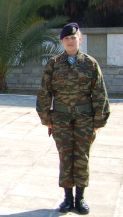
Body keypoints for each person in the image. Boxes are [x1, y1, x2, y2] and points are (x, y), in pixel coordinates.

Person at [36, 23, 110, 215]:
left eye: (73, 38)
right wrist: (46, 118)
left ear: (80, 39)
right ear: (62, 42)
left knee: (82, 157)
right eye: (66, 38)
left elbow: (100, 93)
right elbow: (45, 92)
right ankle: (67, 198)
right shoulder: (53, 64)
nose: (70, 41)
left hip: (85, 119)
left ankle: (81, 198)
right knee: (66, 157)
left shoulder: (90, 64)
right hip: (60, 119)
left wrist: (98, 121)